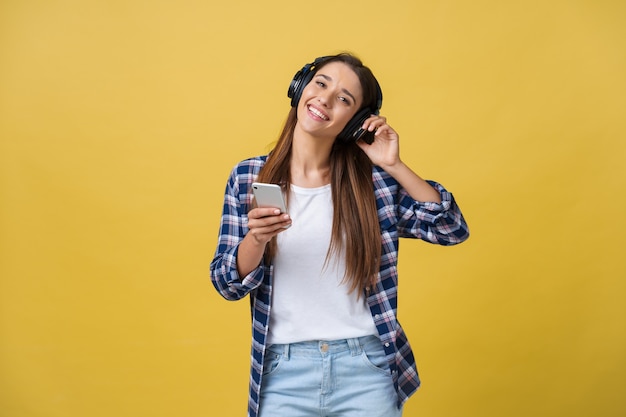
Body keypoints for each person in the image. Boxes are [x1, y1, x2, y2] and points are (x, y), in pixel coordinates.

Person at [210, 53, 470, 417]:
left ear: (356, 122)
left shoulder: (373, 183)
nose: (326, 99)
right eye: (321, 83)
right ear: (300, 87)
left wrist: (392, 164)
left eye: (345, 99)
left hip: (366, 368)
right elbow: (226, 284)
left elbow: (450, 229)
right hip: (282, 370)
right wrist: (256, 240)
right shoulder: (250, 176)